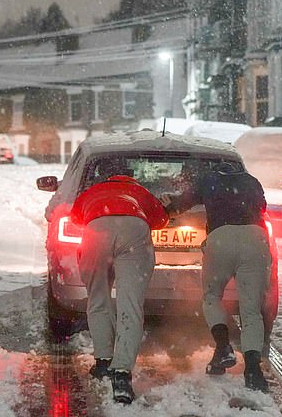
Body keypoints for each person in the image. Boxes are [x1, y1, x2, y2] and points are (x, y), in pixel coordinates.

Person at [161, 161, 273, 392]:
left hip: (220, 239)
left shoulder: (208, 180)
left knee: (212, 296)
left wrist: (166, 209)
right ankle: (253, 370)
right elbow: (261, 207)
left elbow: (181, 203)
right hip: (256, 238)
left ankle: (223, 347)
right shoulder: (251, 181)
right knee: (251, 310)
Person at [70, 171, 169, 404]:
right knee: (131, 305)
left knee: (98, 299)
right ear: (130, 179)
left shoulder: (92, 191)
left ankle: (103, 361)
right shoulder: (139, 191)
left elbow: (76, 218)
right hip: (134, 231)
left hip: (96, 229)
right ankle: (122, 375)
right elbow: (161, 219)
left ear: (108, 179)